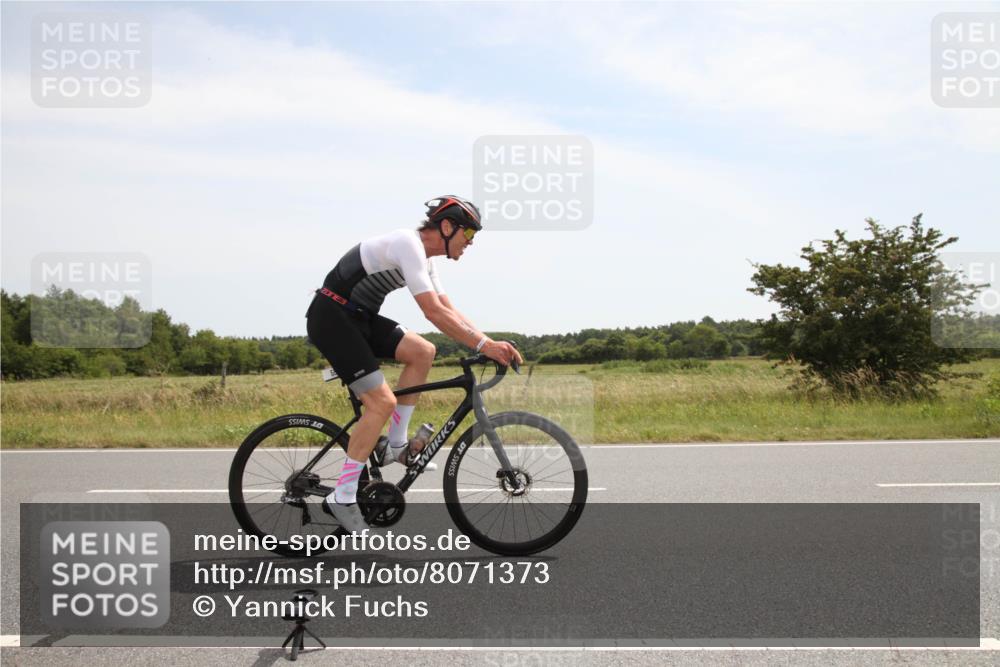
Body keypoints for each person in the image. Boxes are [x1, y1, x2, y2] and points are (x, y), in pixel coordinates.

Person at [305, 195, 523, 534]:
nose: (470, 244)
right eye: (468, 235)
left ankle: (395, 445)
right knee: (381, 402)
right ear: (448, 227)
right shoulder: (408, 243)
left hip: (359, 318)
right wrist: (484, 345)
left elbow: (449, 310)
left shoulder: (427, 260)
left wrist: (490, 343)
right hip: (331, 317)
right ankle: (343, 494)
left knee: (423, 351)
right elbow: (432, 313)